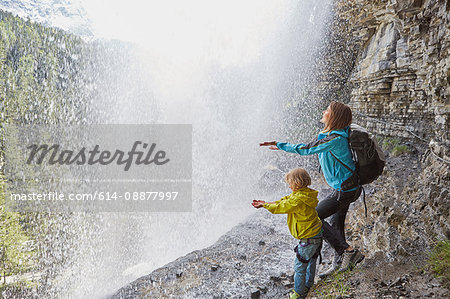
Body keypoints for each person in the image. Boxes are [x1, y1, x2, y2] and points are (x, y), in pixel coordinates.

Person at [260, 101, 364, 278]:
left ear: (334, 116)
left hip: (344, 189)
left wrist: (280, 145)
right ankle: (340, 260)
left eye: (328, 110)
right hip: (347, 187)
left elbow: (307, 149)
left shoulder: (335, 139)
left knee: (313, 217)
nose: (324, 111)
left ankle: (348, 251)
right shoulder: (334, 135)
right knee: (336, 223)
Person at [252, 168, 322, 299]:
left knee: (300, 265)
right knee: (311, 261)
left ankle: (299, 293)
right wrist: (266, 203)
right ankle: (308, 284)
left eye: (289, 183)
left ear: (297, 183)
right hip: (316, 234)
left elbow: (281, 207)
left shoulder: (298, 200)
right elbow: (283, 201)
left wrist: (265, 206)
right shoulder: (305, 194)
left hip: (308, 238)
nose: (288, 185)